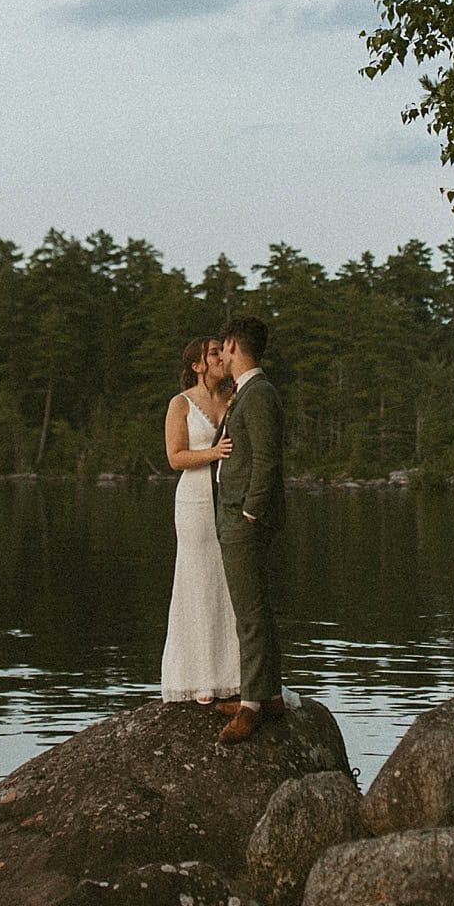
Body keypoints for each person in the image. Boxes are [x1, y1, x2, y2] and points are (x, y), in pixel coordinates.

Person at [212, 314, 288, 744]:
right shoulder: (248, 393)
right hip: (235, 512)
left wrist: (252, 511)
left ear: (236, 348)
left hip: (245, 516)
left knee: (251, 614)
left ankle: (252, 707)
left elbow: (267, 458)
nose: (221, 355)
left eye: (223, 348)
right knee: (253, 608)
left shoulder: (258, 393)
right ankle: (266, 695)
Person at [160, 336, 241, 705]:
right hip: (193, 499)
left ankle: (233, 675)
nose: (220, 357)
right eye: (213, 354)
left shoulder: (231, 398)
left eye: (221, 352)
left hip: (226, 498)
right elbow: (175, 458)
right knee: (196, 578)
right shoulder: (181, 404)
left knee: (227, 580)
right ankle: (196, 679)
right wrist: (213, 452)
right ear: (197, 366)